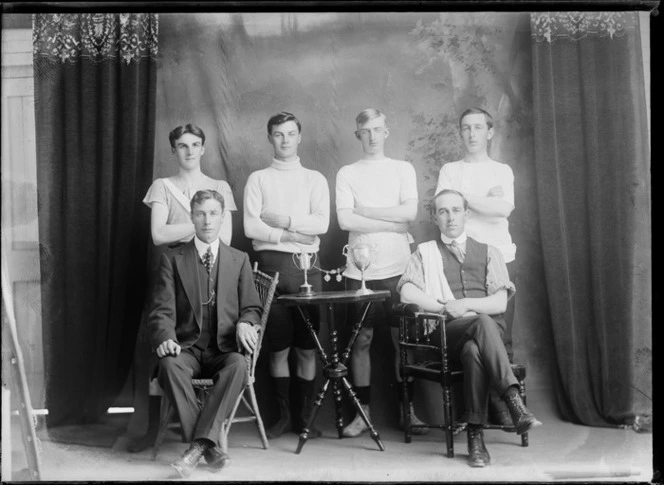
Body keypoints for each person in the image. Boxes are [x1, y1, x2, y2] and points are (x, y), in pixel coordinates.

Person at [397, 189, 541, 468]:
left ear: (467, 214)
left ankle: (476, 439)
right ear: (435, 218)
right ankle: (513, 400)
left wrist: (465, 305)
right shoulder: (423, 253)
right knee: (481, 321)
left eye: (456, 210)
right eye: (443, 211)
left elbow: (500, 301)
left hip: (487, 335)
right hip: (447, 332)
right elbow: (407, 294)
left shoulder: (490, 252)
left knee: (475, 348)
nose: (450, 217)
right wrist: (444, 308)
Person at [127, 124, 237, 452]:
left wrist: (196, 232)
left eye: (195, 144)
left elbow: (226, 240)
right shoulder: (163, 186)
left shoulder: (219, 186)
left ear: (204, 148)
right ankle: (149, 428)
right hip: (169, 277)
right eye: (182, 145)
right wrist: (204, 224)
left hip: (208, 275)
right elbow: (158, 235)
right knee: (157, 345)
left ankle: (200, 433)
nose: (189, 151)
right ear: (173, 150)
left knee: (204, 339)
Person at [149, 189, 262, 478]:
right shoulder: (172, 259)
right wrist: (165, 338)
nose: (207, 221)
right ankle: (208, 447)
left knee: (239, 364)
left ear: (222, 217)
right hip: (186, 348)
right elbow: (161, 310)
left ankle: (196, 447)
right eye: (200, 214)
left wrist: (244, 323)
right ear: (192, 217)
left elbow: (252, 307)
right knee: (168, 365)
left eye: (213, 214)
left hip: (223, 348)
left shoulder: (239, 259)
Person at [336, 108, 427, 437]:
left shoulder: (403, 169)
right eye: (366, 130)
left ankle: (409, 412)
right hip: (359, 271)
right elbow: (346, 221)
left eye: (378, 129)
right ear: (357, 134)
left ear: (387, 132)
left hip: (400, 270)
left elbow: (410, 215)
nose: (372, 136)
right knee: (361, 341)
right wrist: (393, 220)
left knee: (403, 341)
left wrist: (367, 211)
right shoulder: (347, 173)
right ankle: (363, 415)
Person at [244, 112, 330, 439]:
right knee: (277, 349)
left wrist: (280, 220)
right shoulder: (258, 179)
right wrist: (293, 235)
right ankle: (282, 418)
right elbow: (251, 228)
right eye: (278, 134)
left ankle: (304, 419)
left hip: (307, 270)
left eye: (290, 134)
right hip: (271, 271)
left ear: (299, 136)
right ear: (270, 138)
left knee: (307, 349)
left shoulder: (314, 179)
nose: (285, 140)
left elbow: (321, 225)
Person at [435, 108, 516, 425]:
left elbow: (503, 210)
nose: (471, 134)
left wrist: (463, 198)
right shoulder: (450, 168)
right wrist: (483, 200)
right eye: (465, 127)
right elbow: (446, 207)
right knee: (473, 333)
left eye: (478, 127)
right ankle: (501, 403)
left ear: (490, 132)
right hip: (459, 256)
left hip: (498, 258)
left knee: (499, 334)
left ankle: (497, 406)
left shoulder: (502, 170)